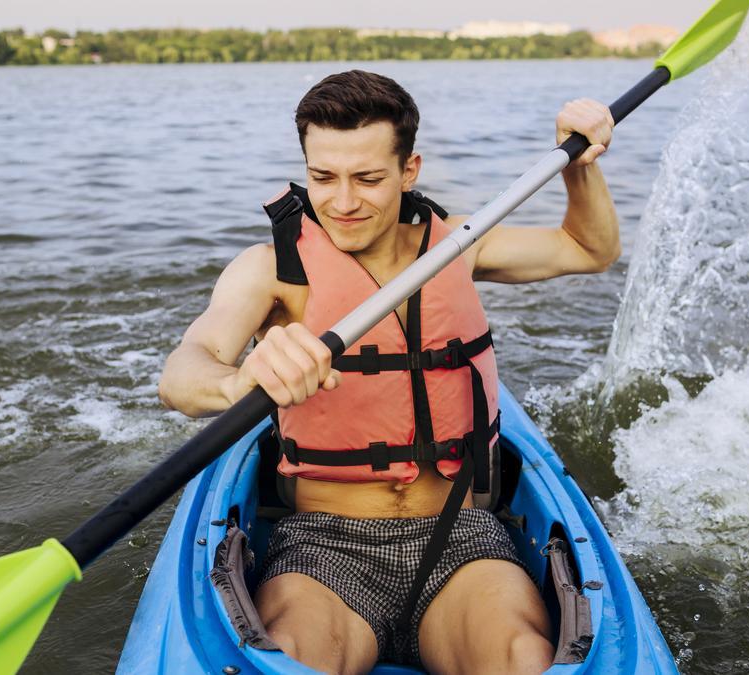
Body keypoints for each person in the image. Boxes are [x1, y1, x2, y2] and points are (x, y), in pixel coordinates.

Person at [158, 70, 617, 675]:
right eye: (323, 177)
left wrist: (579, 164)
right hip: (325, 545)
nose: (343, 202)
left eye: (368, 179)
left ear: (409, 170)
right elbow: (181, 376)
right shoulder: (271, 269)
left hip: (462, 537)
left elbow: (589, 250)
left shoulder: (459, 244)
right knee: (288, 660)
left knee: (524, 661)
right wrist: (239, 381)